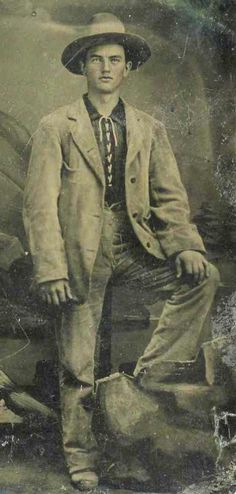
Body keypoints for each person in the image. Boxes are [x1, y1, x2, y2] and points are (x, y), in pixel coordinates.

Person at [23, 12, 220, 490]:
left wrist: (185, 247)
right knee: (77, 362)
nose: (106, 68)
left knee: (203, 278)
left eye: (115, 59)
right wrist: (51, 270)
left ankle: (146, 377)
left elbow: (170, 198)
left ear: (127, 68)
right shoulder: (57, 126)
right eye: (97, 60)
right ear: (83, 68)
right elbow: (39, 206)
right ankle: (80, 457)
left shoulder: (149, 127)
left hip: (136, 245)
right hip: (78, 254)